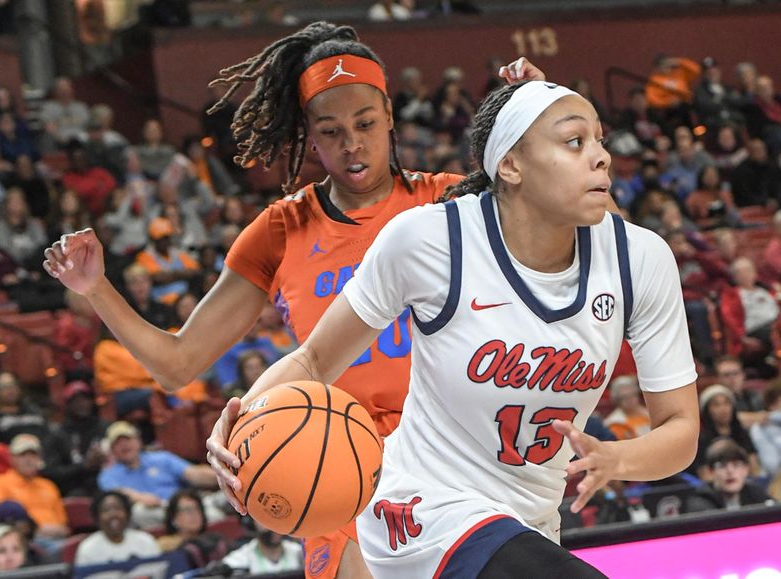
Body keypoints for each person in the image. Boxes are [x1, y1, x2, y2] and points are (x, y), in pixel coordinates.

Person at [41, 20, 544, 579]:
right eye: (329, 131)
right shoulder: (281, 228)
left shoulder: (450, 199)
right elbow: (175, 364)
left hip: (456, 451)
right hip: (339, 458)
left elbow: (572, 227)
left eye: (365, 123)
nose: (351, 143)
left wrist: (537, 117)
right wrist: (97, 290)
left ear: (390, 116)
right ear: (308, 133)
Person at [206, 79, 699, 577]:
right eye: (575, 142)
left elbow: (680, 431)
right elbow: (314, 360)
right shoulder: (431, 239)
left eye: (600, 141)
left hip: (530, 525)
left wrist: (617, 459)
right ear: (510, 164)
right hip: (420, 513)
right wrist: (240, 425)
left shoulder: (642, 259)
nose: (601, 158)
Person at [74, 490, 161, 566]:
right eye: (106, 510)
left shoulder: (146, 541)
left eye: (118, 508)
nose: (113, 514)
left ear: (128, 514)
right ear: (97, 517)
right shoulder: (88, 549)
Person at [686, 438, 773, 512]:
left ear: (746, 469)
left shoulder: (756, 494)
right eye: (722, 466)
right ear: (711, 472)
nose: (730, 471)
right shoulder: (700, 503)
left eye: (736, 465)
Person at [221, 520, 304, 574]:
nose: (273, 528)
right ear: (253, 524)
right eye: (266, 523)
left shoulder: (297, 551)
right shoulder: (244, 555)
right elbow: (224, 567)